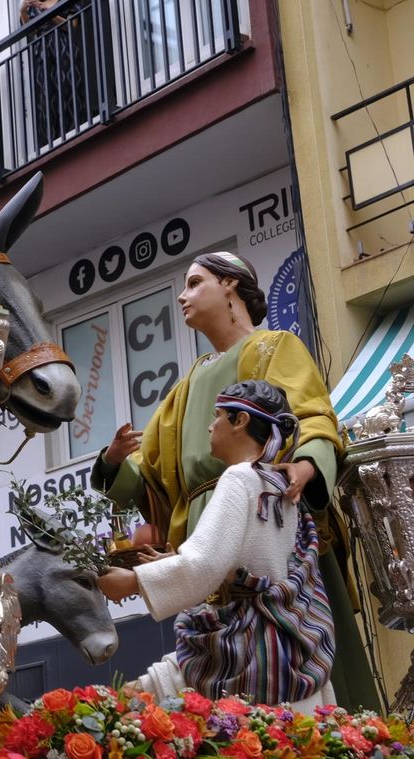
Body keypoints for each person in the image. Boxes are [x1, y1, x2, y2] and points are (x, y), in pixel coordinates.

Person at [91, 251, 379, 710]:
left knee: (278, 668)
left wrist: (305, 465)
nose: (182, 296)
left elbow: (314, 418)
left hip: (269, 529)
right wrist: (112, 463)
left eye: (194, 282)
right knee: (220, 680)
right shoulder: (185, 389)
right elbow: (148, 479)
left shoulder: (273, 347)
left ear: (231, 285)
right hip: (205, 540)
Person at [99, 380, 335, 709]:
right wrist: (172, 561)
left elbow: (205, 565)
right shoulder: (280, 485)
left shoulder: (238, 478)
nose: (210, 425)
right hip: (285, 640)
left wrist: (132, 582)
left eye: (218, 415)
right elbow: (256, 564)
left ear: (240, 421)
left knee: (130, 705)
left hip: (242, 646)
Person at [18, 0, 80, 148]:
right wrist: (23, 9)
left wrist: (47, 11)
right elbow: (31, 31)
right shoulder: (32, 7)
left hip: (64, 50)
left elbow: (72, 26)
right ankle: (52, 140)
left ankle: (71, 132)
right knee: (46, 96)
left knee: (68, 90)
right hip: (43, 53)